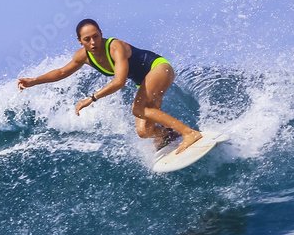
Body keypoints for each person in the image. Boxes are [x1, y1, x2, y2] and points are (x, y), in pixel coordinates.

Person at [17, 19, 203, 154]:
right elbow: (61, 73)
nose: (93, 42)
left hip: (159, 68)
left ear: (101, 34)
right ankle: (168, 135)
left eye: (96, 37)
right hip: (144, 81)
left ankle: (189, 133)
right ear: (79, 41)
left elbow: (120, 81)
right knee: (143, 131)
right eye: (87, 39)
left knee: (138, 109)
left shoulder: (115, 47)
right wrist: (33, 81)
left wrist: (91, 98)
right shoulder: (83, 55)